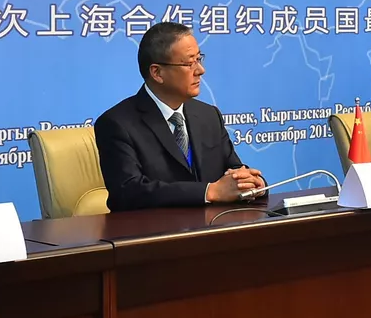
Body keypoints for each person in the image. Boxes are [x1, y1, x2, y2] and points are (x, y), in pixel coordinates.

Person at [95, 21, 266, 209]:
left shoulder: (208, 115)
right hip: (154, 226)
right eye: (189, 63)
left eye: (199, 59)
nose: (200, 70)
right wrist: (208, 192)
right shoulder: (117, 124)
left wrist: (252, 183)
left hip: (213, 224)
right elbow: (128, 191)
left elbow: (233, 168)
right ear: (157, 72)